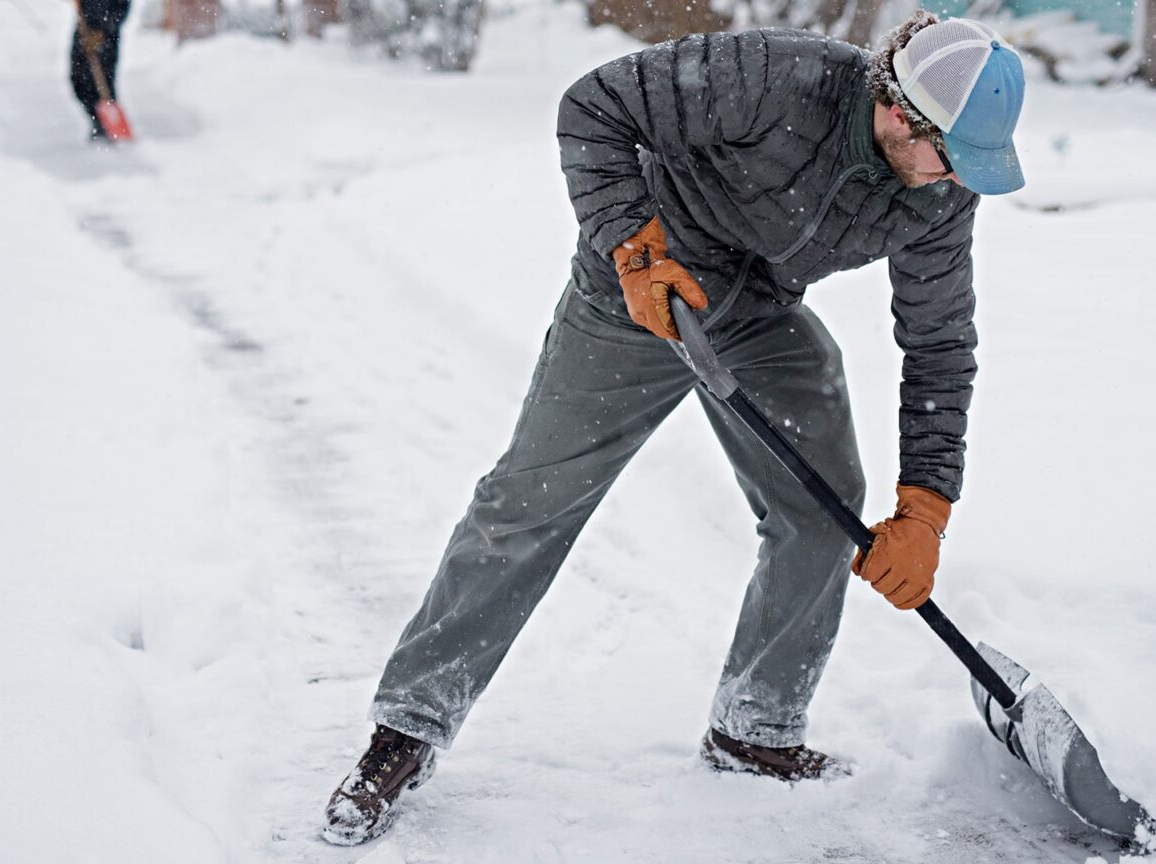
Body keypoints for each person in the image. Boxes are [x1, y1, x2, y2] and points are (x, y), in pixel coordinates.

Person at [324, 11, 1026, 845]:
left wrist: (926, 507)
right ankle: (407, 726)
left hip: (758, 313)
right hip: (640, 297)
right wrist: (632, 248)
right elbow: (593, 106)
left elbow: (940, 342)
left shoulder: (940, 196)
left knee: (822, 505)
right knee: (531, 501)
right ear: (900, 114)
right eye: (949, 156)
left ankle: (756, 729)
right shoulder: (774, 76)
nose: (955, 180)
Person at [69, 0, 132, 140]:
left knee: (104, 83)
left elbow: (122, 9)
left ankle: (105, 124)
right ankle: (96, 118)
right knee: (78, 79)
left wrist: (103, 31)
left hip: (107, 36)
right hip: (84, 28)